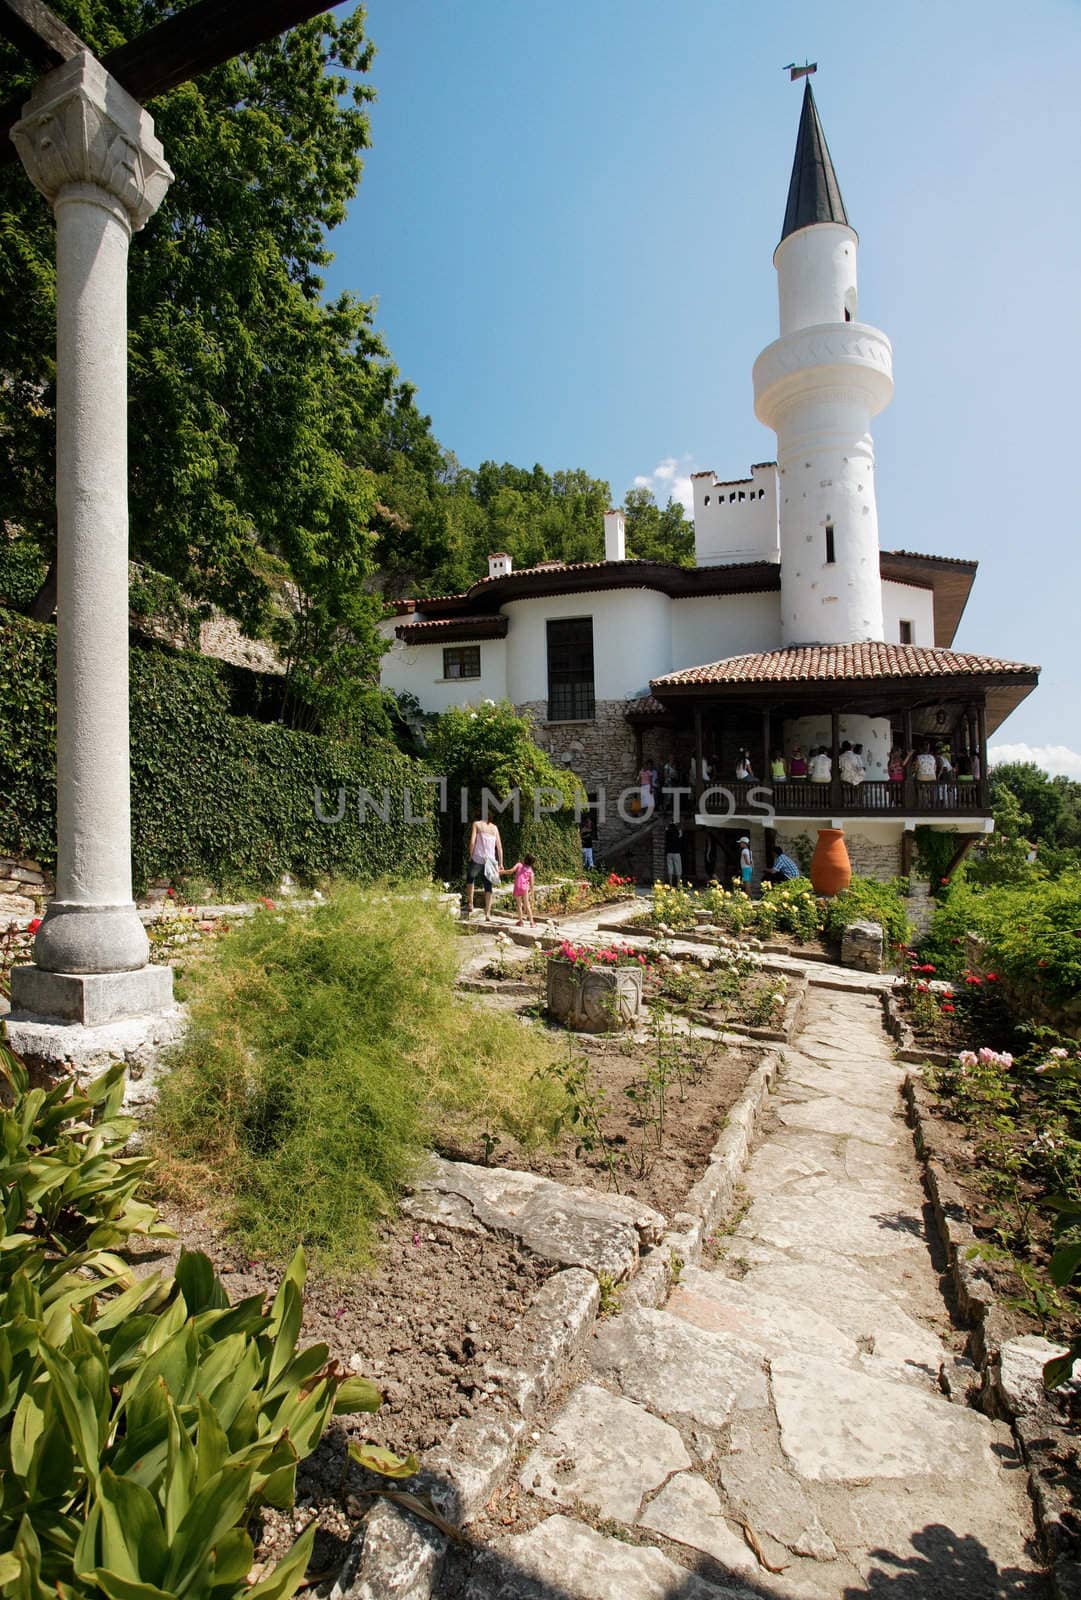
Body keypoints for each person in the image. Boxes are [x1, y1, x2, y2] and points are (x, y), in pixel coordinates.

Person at [464, 811, 503, 919]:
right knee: (488, 886)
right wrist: (501, 863)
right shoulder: (494, 828)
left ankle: (471, 904)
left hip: (478, 857)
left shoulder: (476, 824)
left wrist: (471, 855)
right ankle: (488, 913)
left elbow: (472, 841)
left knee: (470, 879)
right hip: (490, 860)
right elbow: (499, 847)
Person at [502, 853, 536, 926]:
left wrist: (501, 872)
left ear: (525, 859)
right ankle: (532, 923)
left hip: (517, 887)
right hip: (525, 888)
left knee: (519, 905)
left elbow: (510, 871)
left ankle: (521, 922)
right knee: (527, 905)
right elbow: (532, 884)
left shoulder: (519, 865)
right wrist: (532, 893)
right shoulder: (530, 871)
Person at [664, 821, 683, 887]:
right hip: (676, 853)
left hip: (669, 853)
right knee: (678, 868)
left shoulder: (668, 833)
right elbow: (680, 832)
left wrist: (669, 824)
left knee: (670, 868)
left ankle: (670, 883)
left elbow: (666, 828)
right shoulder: (678, 833)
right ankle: (678, 884)